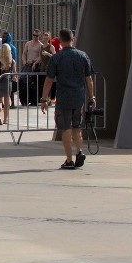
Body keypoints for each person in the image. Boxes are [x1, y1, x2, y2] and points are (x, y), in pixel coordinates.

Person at [40, 29, 95, 170]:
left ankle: (69, 160)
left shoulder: (56, 58)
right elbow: (89, 79)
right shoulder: (83, 56)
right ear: (73, 38)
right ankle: (79, 152)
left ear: (60, 39)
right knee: (77, 126)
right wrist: (91, 97)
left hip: (64, 97)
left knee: (65, 128)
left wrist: (43, 99)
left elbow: (49, 80)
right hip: (79, 96)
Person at [0, 39, 16, 126]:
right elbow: (14, 73)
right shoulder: (12, 61)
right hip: (8, 81)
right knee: (7, 100)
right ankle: (5, 119)